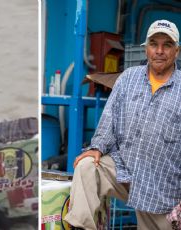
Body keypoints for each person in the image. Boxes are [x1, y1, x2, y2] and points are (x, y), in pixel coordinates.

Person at [64, 19, 180, 230]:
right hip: (124, 170)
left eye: (167, 45)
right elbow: (110, 118)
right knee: (88, 166)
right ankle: (81, 227)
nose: (160, 50)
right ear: (146, 49)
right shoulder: (128, 79)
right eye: (154, 44)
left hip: (162, 189)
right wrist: (97, 146)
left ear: (177, 51)